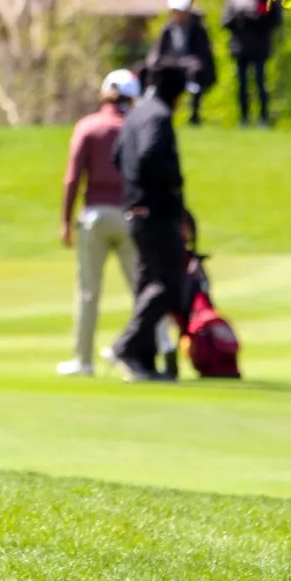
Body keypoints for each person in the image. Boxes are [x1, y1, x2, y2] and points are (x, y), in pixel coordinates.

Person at [57, 68, 141, 376]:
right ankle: (150, 352)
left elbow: (72, 178)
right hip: (131, 216)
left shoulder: (88, 127)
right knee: (142, 290)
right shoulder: (135, 127)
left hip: (94, 216)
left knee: (88, 292)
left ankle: (83, 361)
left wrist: (65, 220)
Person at [109, 59, 189, 382]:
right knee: (169, 286)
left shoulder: (136, 114)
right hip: (156, 213)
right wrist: (174, 181)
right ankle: (126, 347)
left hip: (135, 212)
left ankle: (143, 362)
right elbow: (150, 155)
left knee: (147, 286)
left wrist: (135, 187)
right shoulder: (158, 115)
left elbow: (118, 157)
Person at [221, 0, 282, 127]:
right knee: (242, 86)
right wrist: (241, 17)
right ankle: (244, 118)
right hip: (240, 48)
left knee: (261, 84)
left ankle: (263, 118)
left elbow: (276, 21)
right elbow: (225, 21)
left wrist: (257, 18)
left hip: (260, 48)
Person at [147, 0, 216, 126]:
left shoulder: (197, 29)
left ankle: (194, 115)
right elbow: (158, 53)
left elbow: (203, 54)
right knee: (161, 74)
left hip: (192, 67)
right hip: (172, 66)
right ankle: (163, 112)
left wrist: (189, 63)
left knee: (196, 72)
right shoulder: (167, 29)